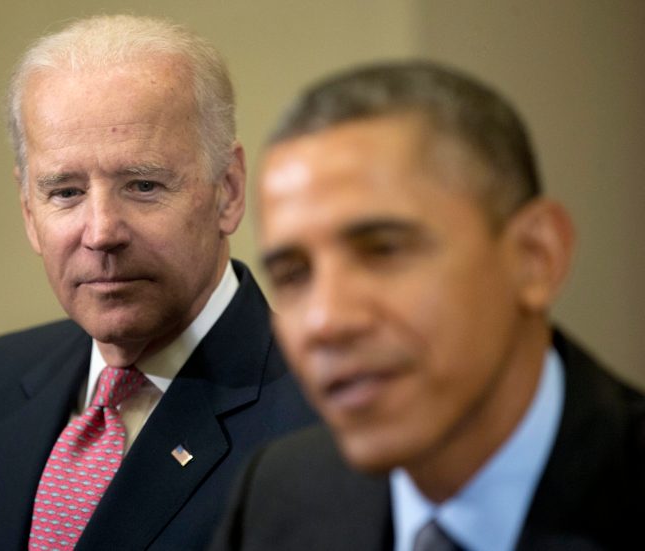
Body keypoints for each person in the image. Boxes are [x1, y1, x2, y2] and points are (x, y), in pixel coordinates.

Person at [0, 14, 315, 550]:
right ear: (27, 210)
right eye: (65, 192)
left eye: (143, 184)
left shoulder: (330, 420)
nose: (102, 232)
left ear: (228, 191)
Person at [211, 62, 645, 550]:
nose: (325, 321)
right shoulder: (278, 499)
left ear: (535, 257)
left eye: (384, 251)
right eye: (293, 275)